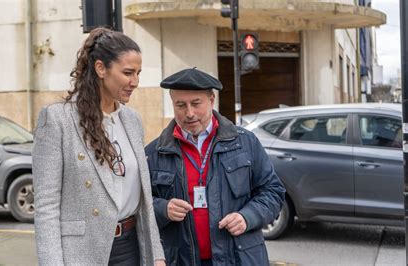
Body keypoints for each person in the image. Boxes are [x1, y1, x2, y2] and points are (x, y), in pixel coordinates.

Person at [33, 27, 165, 266]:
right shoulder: (57, 119)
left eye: (138, 74)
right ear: (101, 68)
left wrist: (156, 254)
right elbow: (46, 206)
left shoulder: (132, 120)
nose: (134, 82)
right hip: (82, 252)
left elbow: (144, 197)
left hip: (131, 246)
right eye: (127, 73)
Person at [145, 68, 286, 265]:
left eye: (196, 104)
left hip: (239, 258)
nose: (189, 113)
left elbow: (273, 191)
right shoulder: (154, 152)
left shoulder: (245, 142)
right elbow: (139, 204)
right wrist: (163, 208)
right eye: (181, 105)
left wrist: (247, 217)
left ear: (211, 100)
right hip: (180, 260)